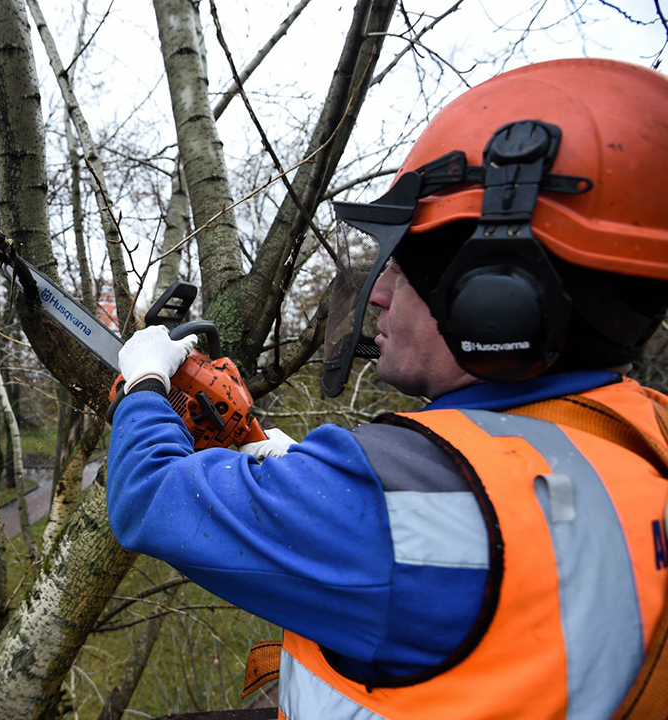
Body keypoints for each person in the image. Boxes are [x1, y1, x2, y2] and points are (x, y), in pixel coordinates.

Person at [106, 58, 668, 719]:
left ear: (497, 305)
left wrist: (144, 382)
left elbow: (147, 499)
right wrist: (301, 473)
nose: (376, 293)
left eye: (401, 270)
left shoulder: (400, 497)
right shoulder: (642, 429)